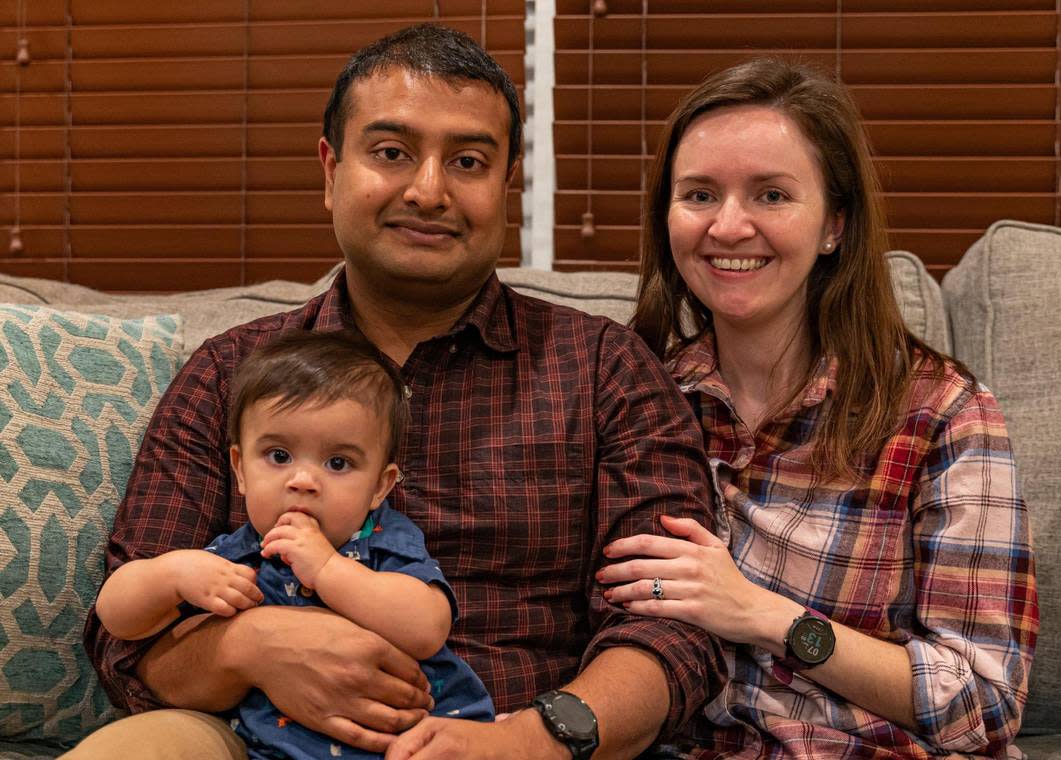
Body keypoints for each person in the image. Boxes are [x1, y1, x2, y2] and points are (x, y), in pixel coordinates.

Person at [71, 22, 724, 760]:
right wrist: (251, 646)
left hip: (520, 732)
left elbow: (674, 626)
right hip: (255, 738)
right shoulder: (231, 371)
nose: (428, 190)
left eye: (469, 161)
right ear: (330, 169)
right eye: (391, 153)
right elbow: (123, 640)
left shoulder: (604, 368)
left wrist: (528, 741)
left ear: (505, 183)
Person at [599, 58, 1039, 758]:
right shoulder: (633, 396)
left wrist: (764, 615)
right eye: (699, 195)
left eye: (771, 195)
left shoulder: (941, 413)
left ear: (834, 225)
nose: (729, 226)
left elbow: (984, 701)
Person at [93, 330, 495, 759]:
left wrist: (327, 569)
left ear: (380, 486)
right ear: (240, 470)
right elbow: (118, 618)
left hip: (413, 740)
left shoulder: (383, 541)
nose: (303, 481)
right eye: (279, 456)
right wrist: (170, 575)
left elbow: (425, 628)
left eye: (338, 463)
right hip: (272, 749)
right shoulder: (237, 556)